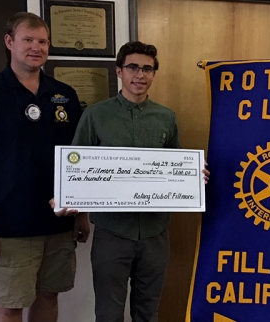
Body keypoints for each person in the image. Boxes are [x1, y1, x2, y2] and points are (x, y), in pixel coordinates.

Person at [68, 41, 208, 322]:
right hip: (112, 231)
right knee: (108, 313)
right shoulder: (95, 115)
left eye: (147, 69)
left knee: (148, 311)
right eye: (133, 67)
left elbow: (174, 168)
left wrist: (193, 175)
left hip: (156, 233)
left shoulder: (166, 118)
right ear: (119, 71)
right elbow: (76, 169)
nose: (140, 75)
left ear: (154, 74)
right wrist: (72, 205)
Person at [0, 12, 88, 322]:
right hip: (10, 227)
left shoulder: (65, 95)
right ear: (9, 42)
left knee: (49, 296)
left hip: (59, 225)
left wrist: (83, 214)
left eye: (42, 41)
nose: (36, 47)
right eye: (28, 40)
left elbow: (77, 161)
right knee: (10, 304)